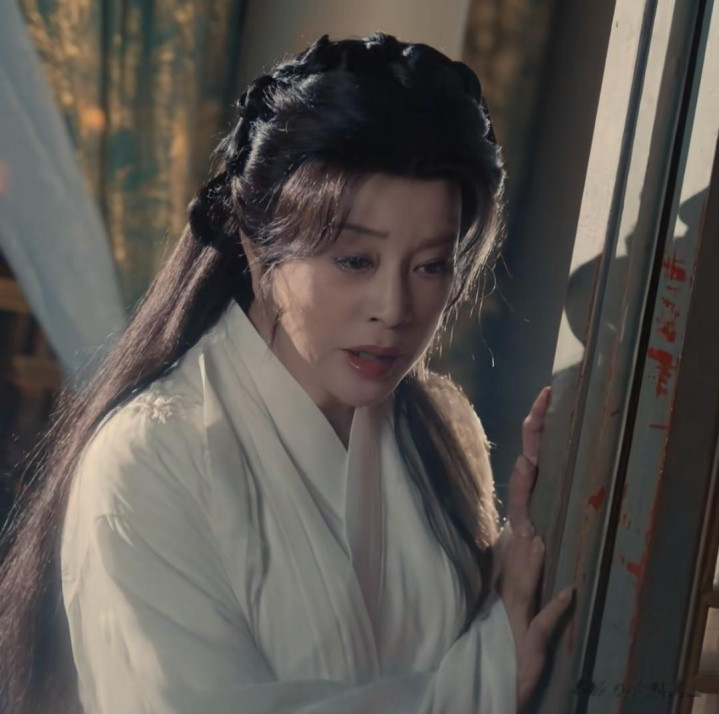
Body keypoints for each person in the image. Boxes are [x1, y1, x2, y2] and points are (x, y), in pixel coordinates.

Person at [0, 32, 574, 713]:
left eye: (430, 266)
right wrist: (484, 681)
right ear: (256, 248)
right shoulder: (153, 456)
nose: (394, 309)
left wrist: (539, 529)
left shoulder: (442, 431)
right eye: (353, 261)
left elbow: (492, 642)